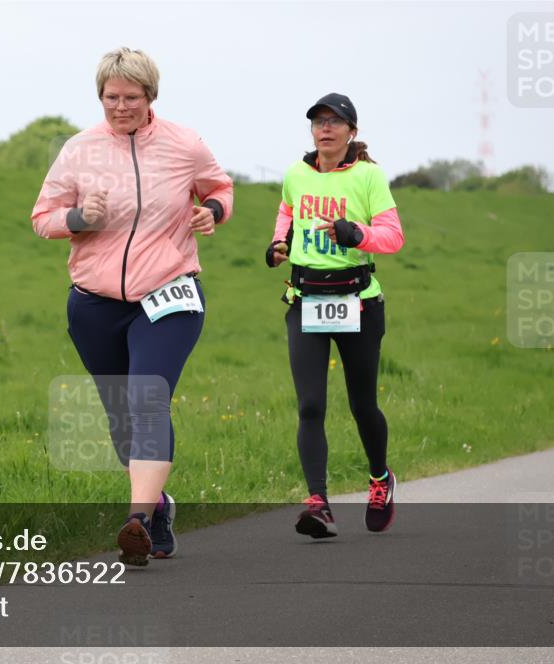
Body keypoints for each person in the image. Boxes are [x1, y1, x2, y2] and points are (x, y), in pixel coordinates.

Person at [32, 47, 233, 566]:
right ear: (100, 96)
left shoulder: (183, 144)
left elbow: (220, 187)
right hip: (95, 303)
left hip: (168, 295)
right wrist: (79, 216)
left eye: (132, 98)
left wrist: (211, 211)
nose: (121, 107)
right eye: (111, 98)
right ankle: (159, 505)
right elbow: (43, 217)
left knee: (148, 400)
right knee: (121, 416)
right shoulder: (79, 150)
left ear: (151, 97)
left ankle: (136, 520)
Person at [266, 93, 405, 539]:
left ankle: (380, 480)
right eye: (318, 121)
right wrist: (276, 247)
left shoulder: (369, 177)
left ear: (352, 131)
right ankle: (318, 502)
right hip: (305, 298)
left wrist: (353, 233)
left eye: (335, 121)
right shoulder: (296, 173)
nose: (325, 128)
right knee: (310, 405)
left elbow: (393, 237)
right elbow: (287, 217)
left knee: (362, 404)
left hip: (358, 300)